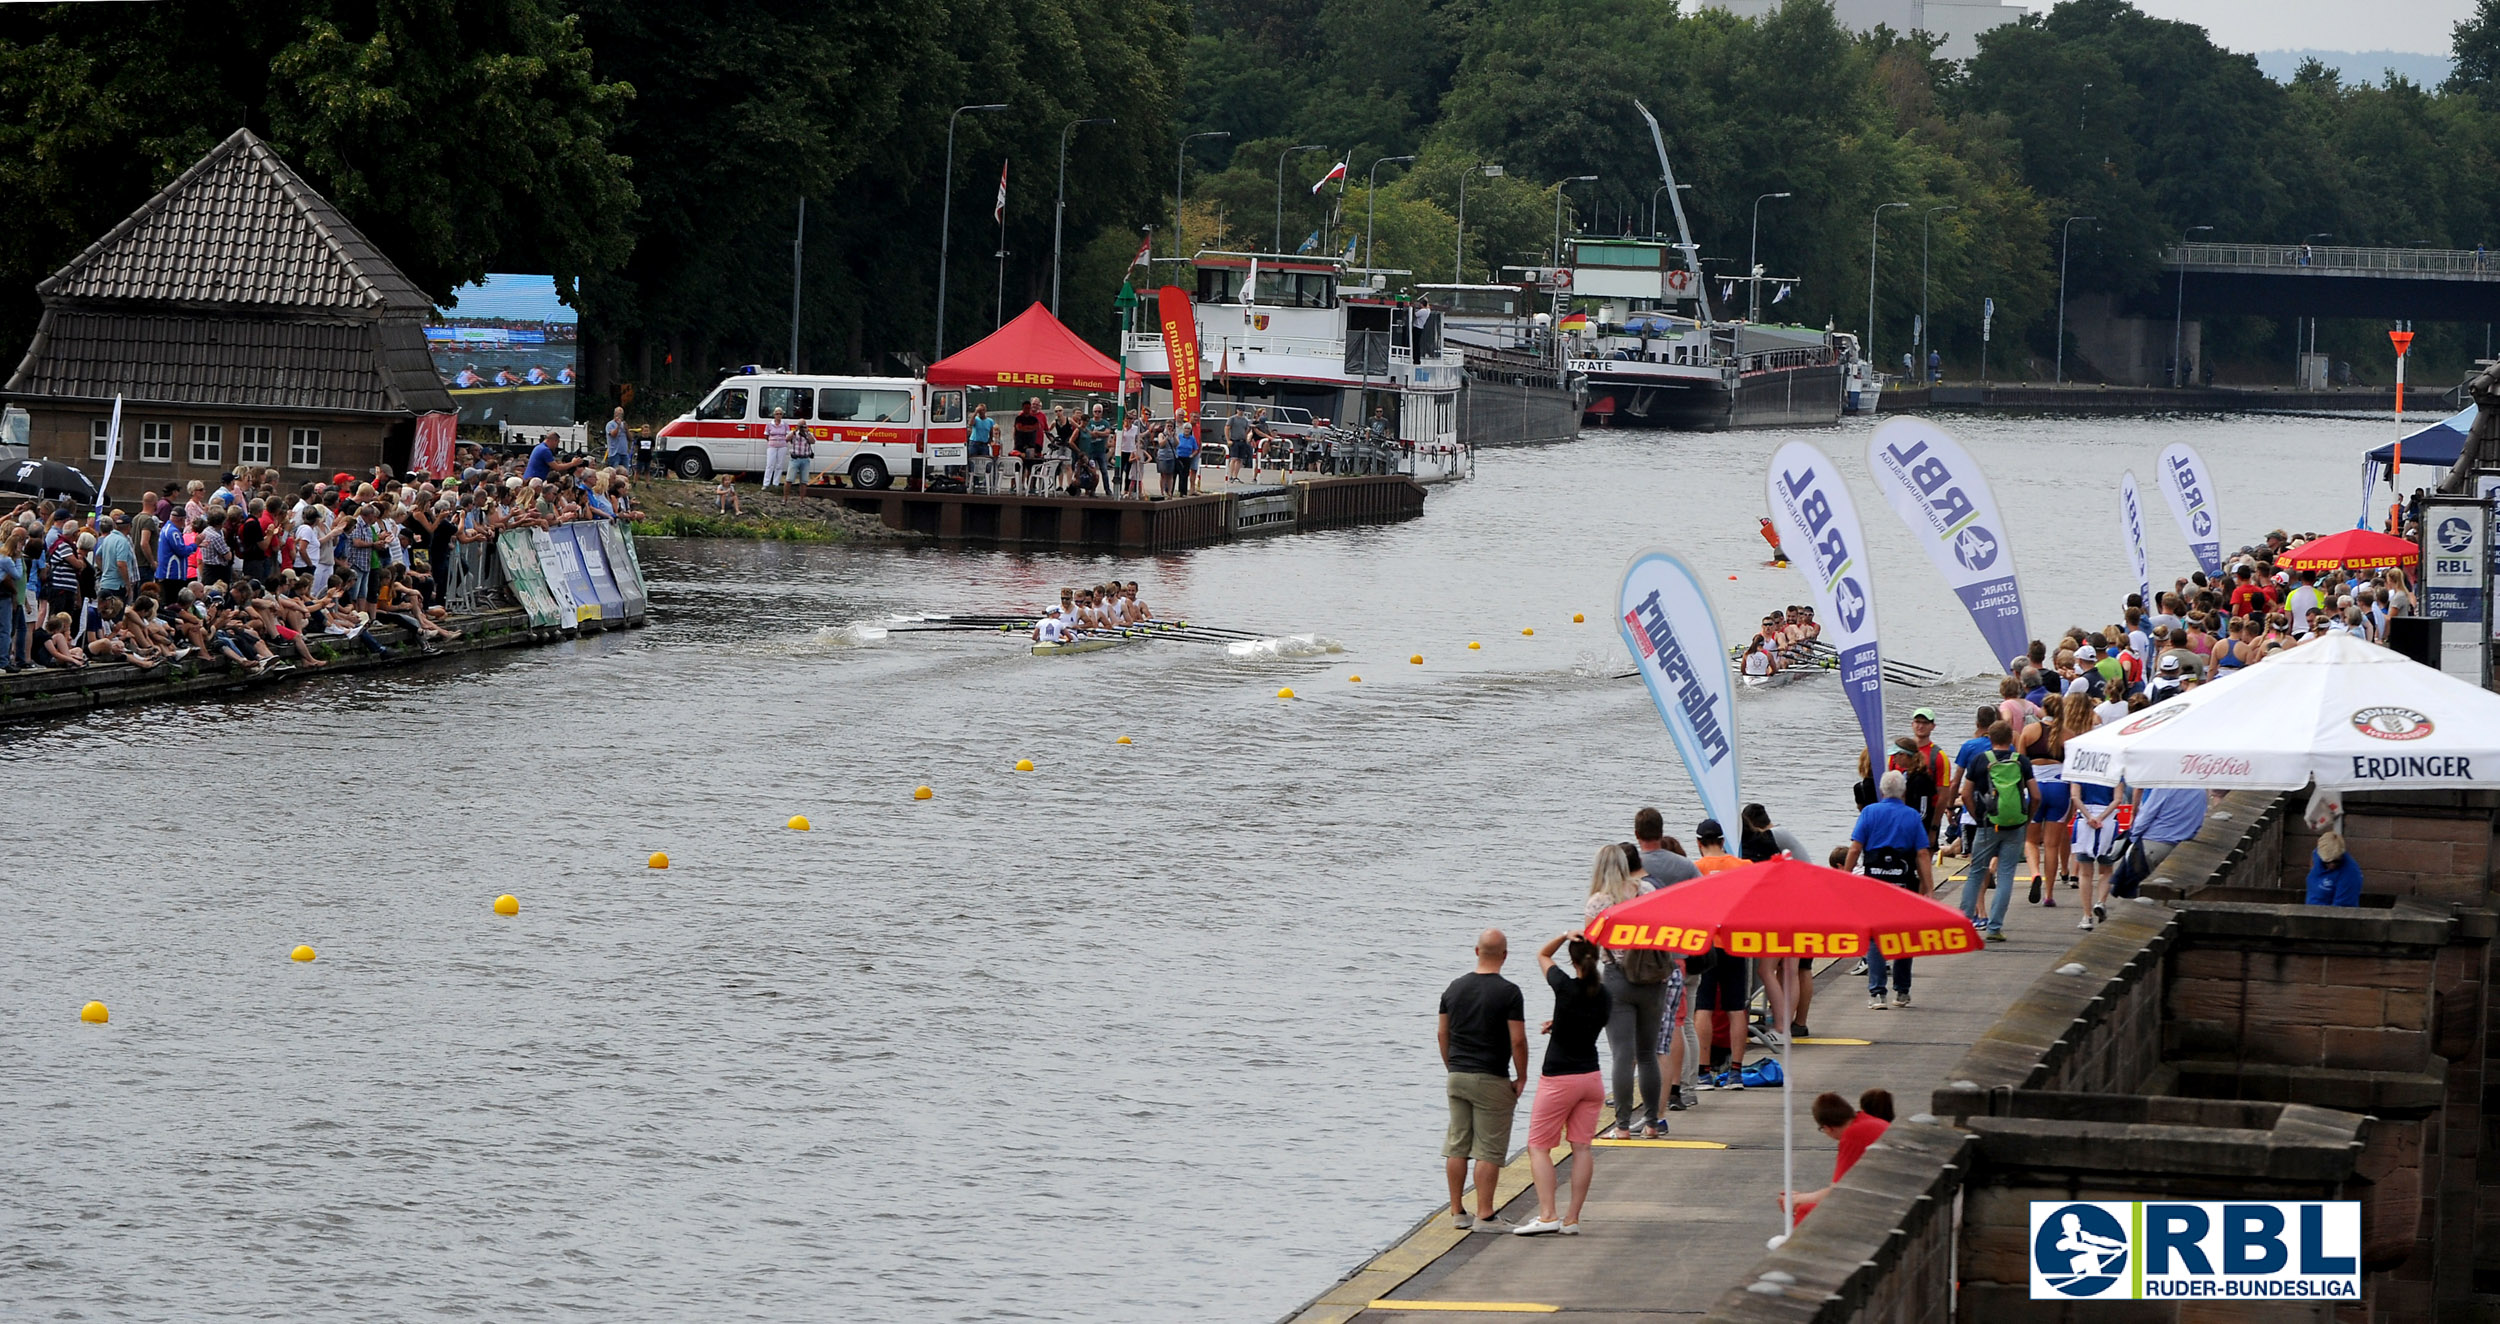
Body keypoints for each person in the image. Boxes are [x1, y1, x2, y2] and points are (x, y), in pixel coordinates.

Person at [1513, 930, 1610, 1237]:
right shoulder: (1605, 994)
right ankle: (1572, 1219)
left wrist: (1564, 935)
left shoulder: (1564, 987)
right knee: (1582, 1148)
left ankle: (1547, 1215)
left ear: (1573, 960)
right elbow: (1587, 1021)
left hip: (1559, 1078)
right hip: (1591, 1078)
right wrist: (1559, 1024)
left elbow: (1542, 955)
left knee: (1538, 1147)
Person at [1441, 929, 1528, 1232]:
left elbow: (1443, 1033)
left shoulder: (1454, 988)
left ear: (1476, 951)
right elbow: (1517, 1040)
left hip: (1457, 1076)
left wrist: (1451, 1066)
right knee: (1488, 1149)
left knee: (1458, 1144)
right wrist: (1522, 1075)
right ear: (1505, 955)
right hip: (1491, 1076)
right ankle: (1485, 1214)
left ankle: (1456, 1212)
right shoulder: (1509, 992)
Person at [1584, 844, 1665, 1140]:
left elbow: (1590, 950)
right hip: (1652, 979)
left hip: (1617, 979)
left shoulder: (1598, 902)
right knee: (1647, 1055)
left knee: (1621, 1054)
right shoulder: (1647, 891)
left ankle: (1621, 1126)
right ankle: (1652, 1122)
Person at [1846, 770, 1935, 1009]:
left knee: (1875, 937)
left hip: (1875, 881)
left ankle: (1877, 993)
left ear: (1882, 791)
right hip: (1904, 880)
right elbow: (1922, 853)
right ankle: (1902, 991)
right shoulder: (1912, 816)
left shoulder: (1869, 812)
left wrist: (1845, 875)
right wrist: (1928, 887)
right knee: (1905, 935)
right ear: (1904, 791)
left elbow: (1855, 849)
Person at [1959, 720, 2034, 941]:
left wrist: (1976, 816)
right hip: (2015, 825)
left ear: (1989, 739)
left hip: (1987, 824)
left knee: (1975, 873)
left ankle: (1963, 924)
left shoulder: (1979, 760)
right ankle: (1994, 927)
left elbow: (1965, 794)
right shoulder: (2021, 761)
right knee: (2007, 874)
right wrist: (2026, 819)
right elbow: (2036, 795)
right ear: (2011, 740)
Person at [1780, 1091, 1891, 1224]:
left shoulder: (1853, 1135)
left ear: (1827, 1128)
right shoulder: (1866, 1121)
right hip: (1886, 1192)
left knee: (1806, 1211)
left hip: (1880, 1204)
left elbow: (1838, 1191)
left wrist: (1798, 1199)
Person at [2133, 784, 2207, 870]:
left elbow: (2144, 818)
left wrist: (2133, 837)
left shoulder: (2165, 788)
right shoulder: (2201, 791)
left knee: (2125, 879)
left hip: (2154, 842)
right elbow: (2199, 822)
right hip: (2182, 844)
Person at [2305, 830, 2362, 907]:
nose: (2332, 865)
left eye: (2336, 861)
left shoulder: (2350, 873)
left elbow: (2342, 910)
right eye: (2327, 862)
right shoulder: (2317, 855)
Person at [762, 407, 794, 492]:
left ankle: (776, 483)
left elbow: (788, 435)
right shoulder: (769, 424)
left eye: (780, 414)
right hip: (772, 445)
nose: (778, 415)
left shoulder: (785, 424)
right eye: (777, 414)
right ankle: (766, 483)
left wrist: (783, 441)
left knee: (779, 465)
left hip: (782, 446)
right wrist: (772, 441)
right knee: (769, 464)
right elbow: (766, 435)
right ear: (774, 415)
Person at [968, 403, 999, 492]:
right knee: (973, 463)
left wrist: (991, 441)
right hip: (974, 443)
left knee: (987, 464)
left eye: (982, 410)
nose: (981, 412)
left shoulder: (990, 421)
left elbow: (990, 432)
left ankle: (986, 483)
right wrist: (975, 412)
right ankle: (974, 482)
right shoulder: (976, 420)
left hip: (984, 444)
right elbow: (971, 423)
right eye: (980, 410)